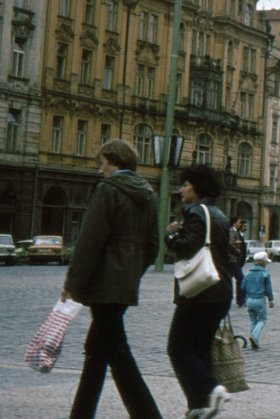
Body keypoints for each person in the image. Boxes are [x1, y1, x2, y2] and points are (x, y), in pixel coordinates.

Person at [62, 140, 161, 419]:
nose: (100, 168)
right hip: (124, 284)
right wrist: (131, 273)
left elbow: (89, 241)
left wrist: (72, 284)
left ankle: (147, 415)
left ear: (113, 160)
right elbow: (153, 246)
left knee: (113, 351)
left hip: (103, 285)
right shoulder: (148, 194)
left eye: (102, 162)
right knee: (100, 349)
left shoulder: (108, 190)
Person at [165, 165, 234, 419]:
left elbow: (186, 248)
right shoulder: (219, 214)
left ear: (197, 187)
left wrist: (171, 236)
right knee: (199, 349)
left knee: (178, 348)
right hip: (220, 291)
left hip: (200, 291)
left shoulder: (195, 213)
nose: (181, 189)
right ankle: (199, 406)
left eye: (185, 184)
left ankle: (211, 390)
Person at [241, 251, 274, 350]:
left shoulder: (248, 274)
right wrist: (271, 300)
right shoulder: (265, 274)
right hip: (259, 300)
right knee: (262, 320)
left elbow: (242, 286)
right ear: (264, 263)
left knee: (253, 321)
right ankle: (254, 337)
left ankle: (254, 340)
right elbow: (268, 289)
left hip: (249, 300)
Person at [229, 218, 248, 307]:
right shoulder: (232, 231)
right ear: (234, 223)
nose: (240, 224)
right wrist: (238, 252)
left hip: (235, 260)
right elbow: (230, 244)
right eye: (239, 222)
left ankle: (239, 300)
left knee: (231, 279)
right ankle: (241, 300)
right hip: (232, 259)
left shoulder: (236, 232)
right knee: (241, 279)